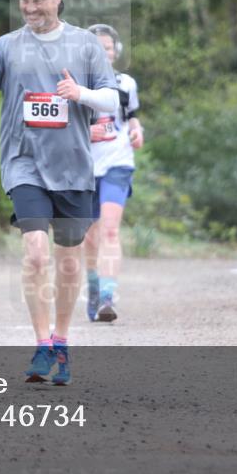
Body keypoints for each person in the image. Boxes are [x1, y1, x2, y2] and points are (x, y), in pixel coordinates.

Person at [0, 0, 118, 385]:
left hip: (73, 169)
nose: (30, 8)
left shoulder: (85, 45)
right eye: (24, 1)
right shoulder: (8, 46)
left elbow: (111, 100)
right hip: (23, 162)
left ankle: (61, 343)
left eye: (38, 1)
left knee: (67, 263)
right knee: (35, 253)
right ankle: (41, 346)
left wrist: (78, 93)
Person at [83, 24, 143, 322]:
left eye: (107, 48)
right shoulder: (76, 85)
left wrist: (136, 130)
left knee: (109, 229)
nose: (103, 53)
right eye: (97, 47)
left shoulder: (126, 84)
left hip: (118, 163)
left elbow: (131, 118)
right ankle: (93, 289)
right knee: (90, 238)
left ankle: (108, 297)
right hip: (83, 167)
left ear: (115, 52)